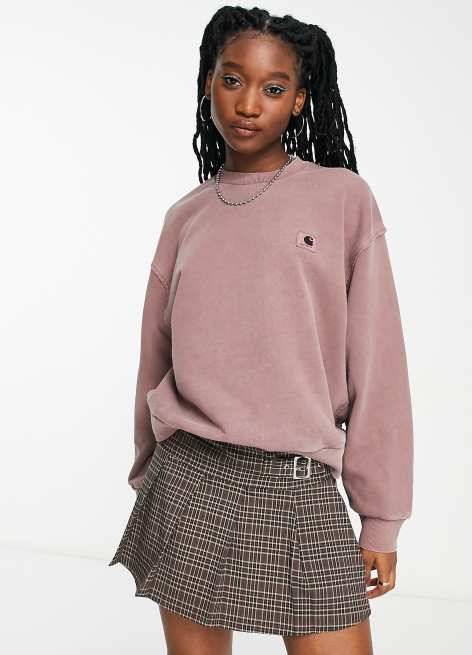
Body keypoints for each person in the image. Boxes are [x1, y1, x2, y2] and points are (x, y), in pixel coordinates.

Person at [108, 6, 414, 655]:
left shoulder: (342, 198)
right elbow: (154, 356)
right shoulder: (185, 216)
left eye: (273, 88)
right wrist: (145, 475)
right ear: (208, 83)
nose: (248, 104)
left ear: (300, 99)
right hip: (188, 479)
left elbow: (379, 365)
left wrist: (380, 518)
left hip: (298, 485)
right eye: (232, 80)